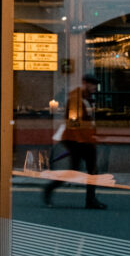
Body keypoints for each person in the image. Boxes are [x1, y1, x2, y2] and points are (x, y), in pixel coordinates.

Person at [43, 74, 106, 209]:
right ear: (85, 83)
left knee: (79, 170)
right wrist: (85, 139)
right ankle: (90, 200)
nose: (95, 87)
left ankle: (51, 189)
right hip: (77, 140)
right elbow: (74, 123)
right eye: (93, 84)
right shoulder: (76, 100)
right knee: (91, 169)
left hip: (80, 139)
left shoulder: (85, 98)